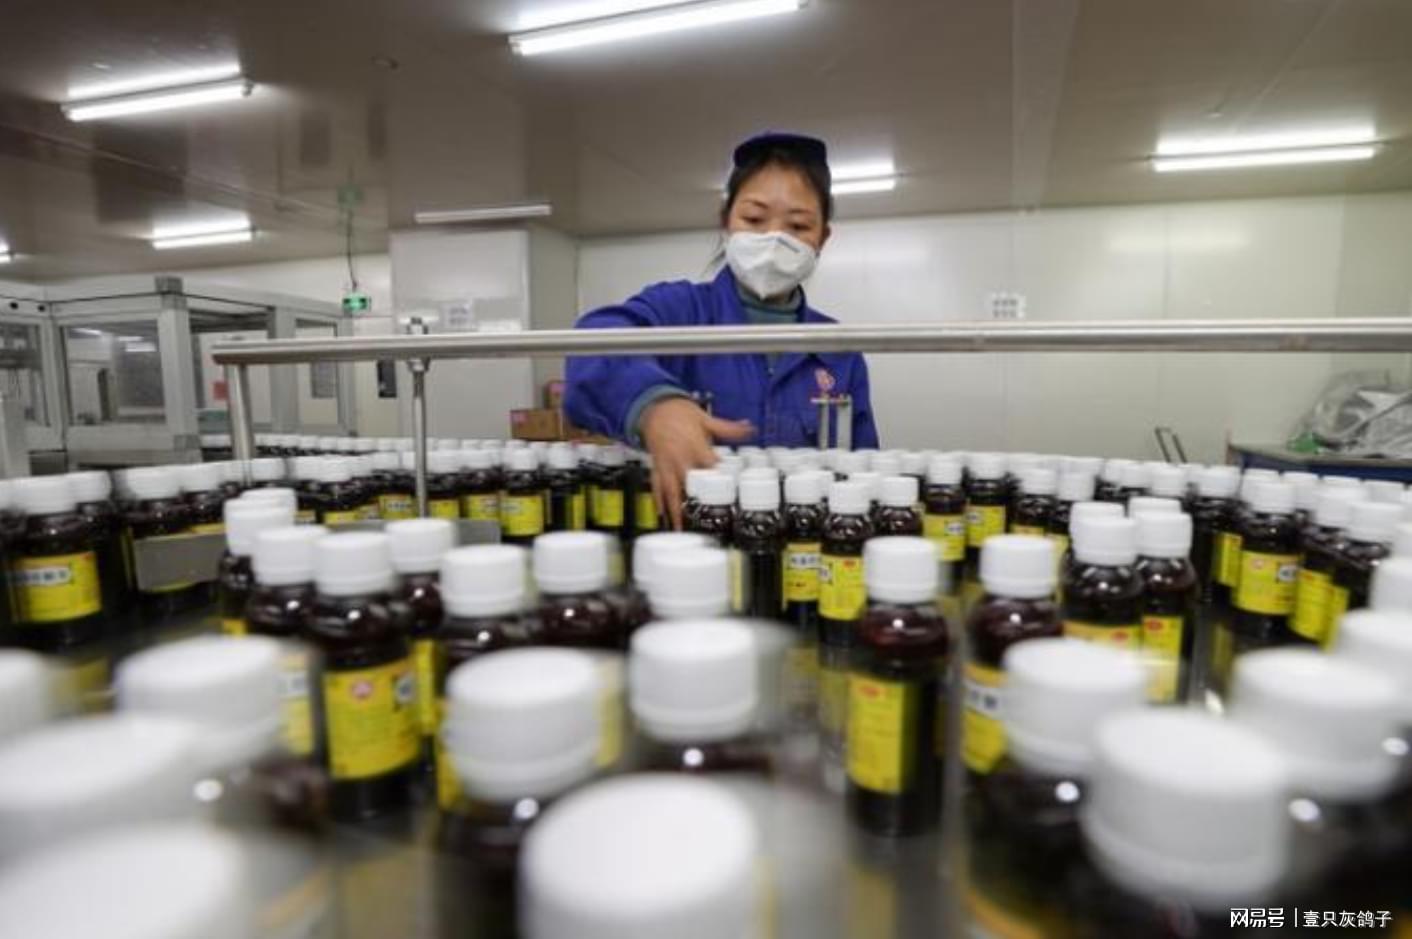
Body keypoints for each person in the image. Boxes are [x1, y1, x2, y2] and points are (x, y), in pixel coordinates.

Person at [564, 132, 880, 528]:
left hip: (808, 544)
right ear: (726, 222)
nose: (774, 239)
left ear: (822, 238)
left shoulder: (838, 350)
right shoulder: (679, 310)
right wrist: (654, 406)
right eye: (754, 219)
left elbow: (864, 471)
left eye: (798, 225)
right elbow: (592, 344)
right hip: (691, 541)